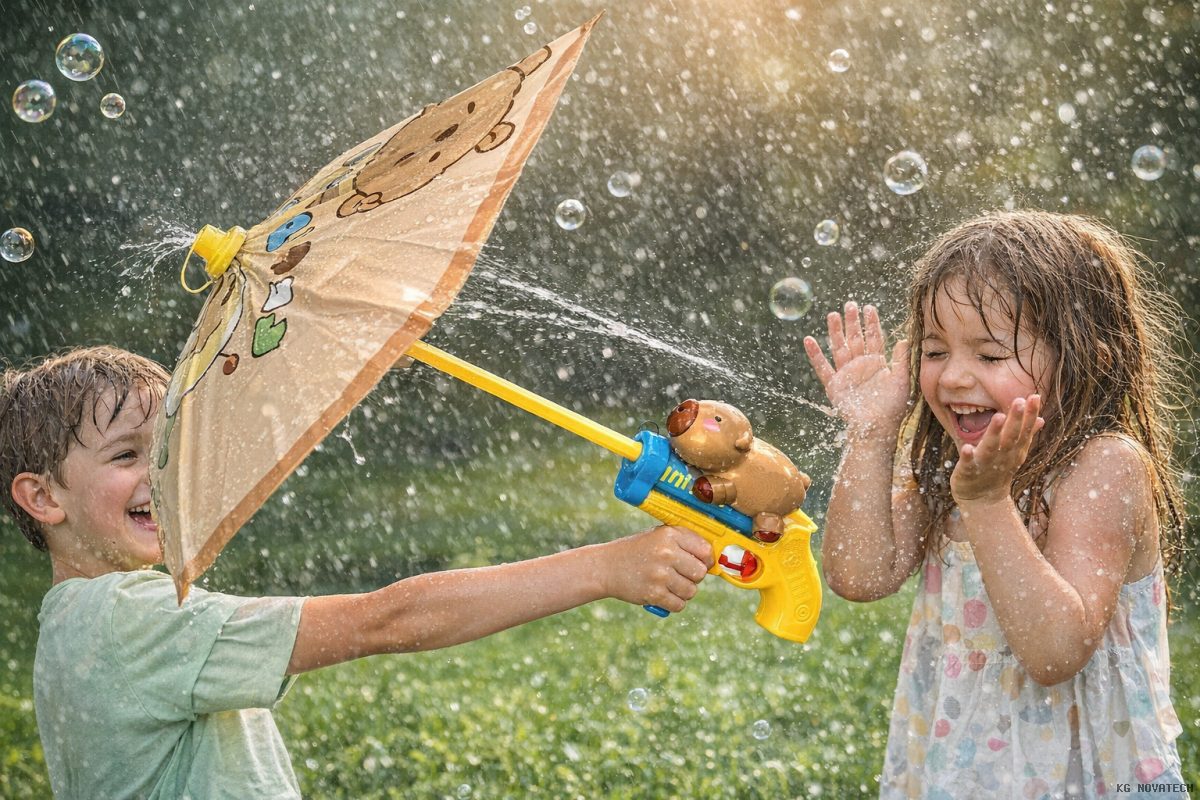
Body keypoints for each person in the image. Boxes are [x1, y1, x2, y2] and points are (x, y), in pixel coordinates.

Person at [0, 345, 713, 799]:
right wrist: (605, 567)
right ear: (42, 497)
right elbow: (389, 619)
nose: (157, 472)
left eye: (164, 451)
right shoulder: (133, 620)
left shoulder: (77, 623)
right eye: (127, 456)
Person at [803, 211, 1189, 798]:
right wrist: (873, 434)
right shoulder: (944, 466)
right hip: (963, 771)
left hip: (1090, 777)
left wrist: (987, 504)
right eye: (934, 351)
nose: (955, 377)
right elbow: (858, 574)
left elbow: (1055, 651)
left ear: (1089, 356)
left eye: (988, 356)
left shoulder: (1102, 468)